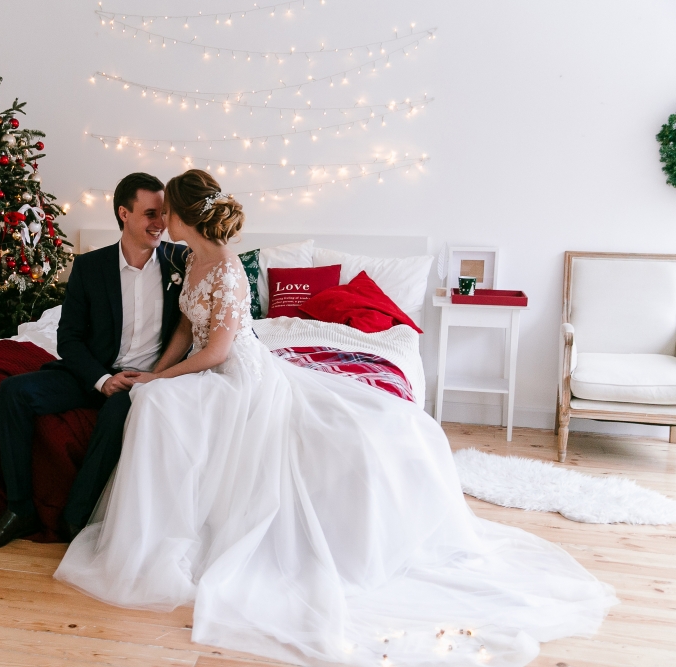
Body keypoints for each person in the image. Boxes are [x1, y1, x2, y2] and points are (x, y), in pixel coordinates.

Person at [54, 170, 617, 667]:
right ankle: (151, 524)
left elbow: (219, 348)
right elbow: (184, 326)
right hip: (206, 366)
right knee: (155, 402)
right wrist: (156, 371)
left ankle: (178, 532)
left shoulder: (225, 267)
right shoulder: (189, 260)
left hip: (234, 371)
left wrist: (160, 381)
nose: (162, 221)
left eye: (167, 212)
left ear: (185, 215)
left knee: (161, 404)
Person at [0, 173, 188, 551]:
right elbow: (68, 338)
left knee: (118, 411)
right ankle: (19, 510)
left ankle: (75, 518)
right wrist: (102, 379)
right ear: (124, 213)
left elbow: (192, 327)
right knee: (13, 392)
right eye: (151, 213)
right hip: (94, 372)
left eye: (164, 213)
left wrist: (151, 377)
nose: (161, 223)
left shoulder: (180, 262)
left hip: (145, 380)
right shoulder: (89, 266)